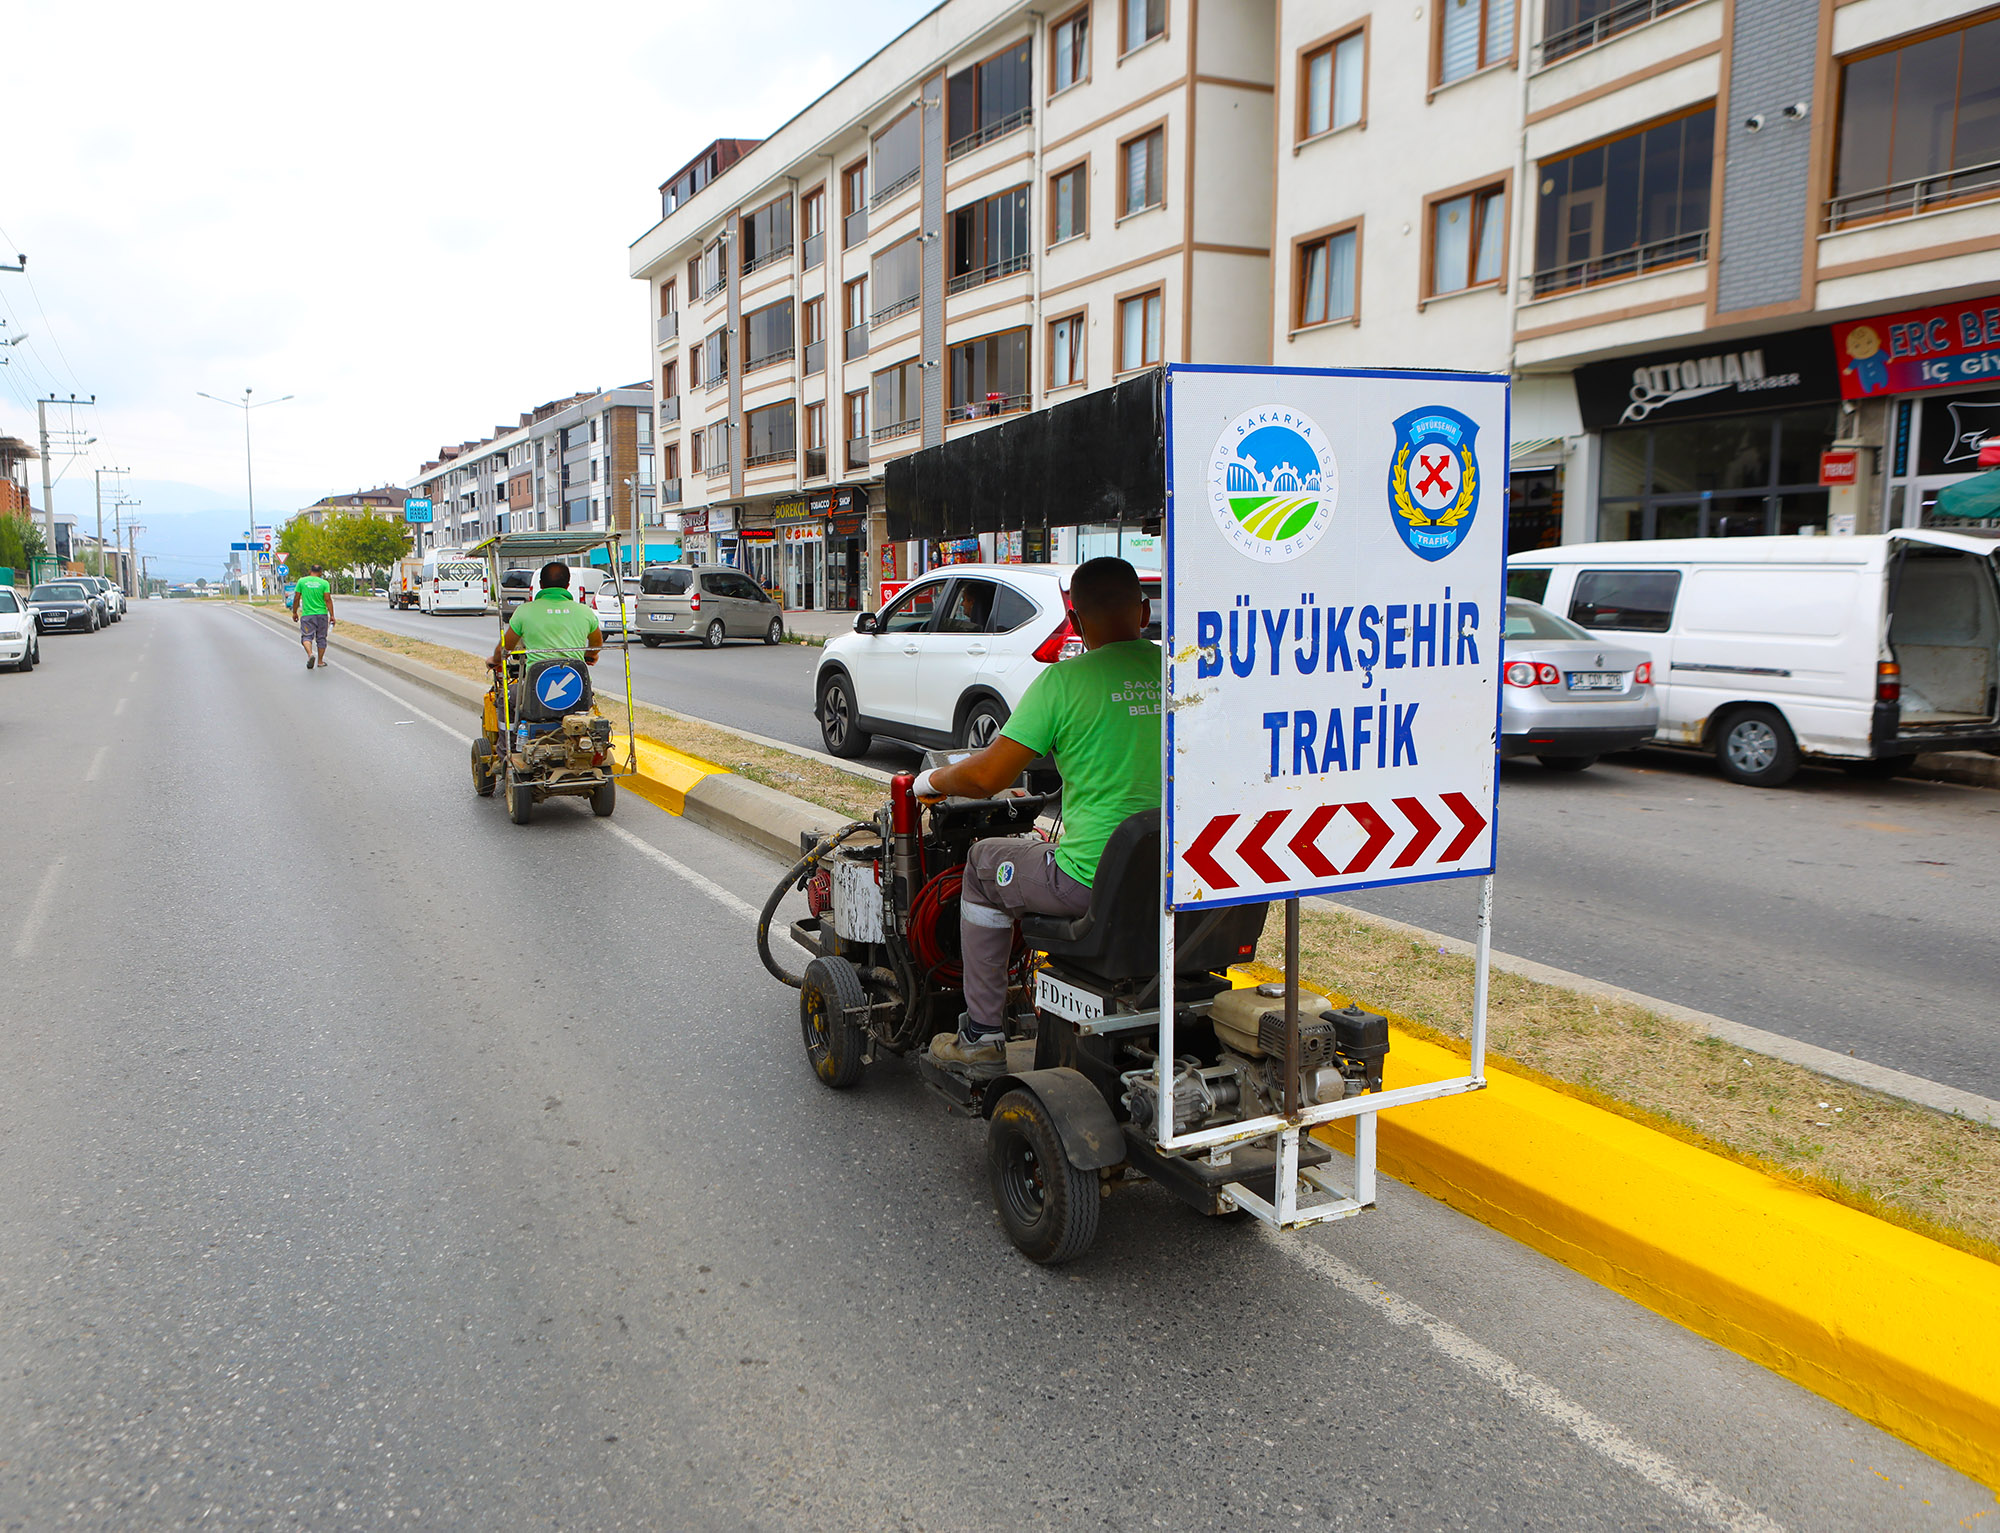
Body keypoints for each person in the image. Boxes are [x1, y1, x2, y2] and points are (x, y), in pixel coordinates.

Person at [917, 557, 1160, 1067]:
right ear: (1143, 613)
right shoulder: (1182, 672)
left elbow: (987, 778)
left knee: (984, 863)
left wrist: (932, 780)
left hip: (1090, 883)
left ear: (1074, 620)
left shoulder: (1063, 683)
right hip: (1178, 878)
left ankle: (982, 1036)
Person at [487, 561, 603, 677]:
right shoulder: (585, 611)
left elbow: (504, 649)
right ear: (567, 585)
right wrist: (591, 655)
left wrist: (495, 660)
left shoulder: (523, 611)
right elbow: (596, 643)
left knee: (513, 692)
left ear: (541, 584)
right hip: (577, 683)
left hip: (537, 685)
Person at [290, 564, 335, 670]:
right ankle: (320, 661)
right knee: (321, 638)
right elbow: (328, 599)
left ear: (310, 571)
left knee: (306, 637)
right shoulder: (324, 583)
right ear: (320, 573)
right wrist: (332, 615)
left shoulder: (302, 581)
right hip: (322, 615)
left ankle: (310, 654)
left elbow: (296, 598)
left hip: (307, 615)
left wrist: (294, 612)